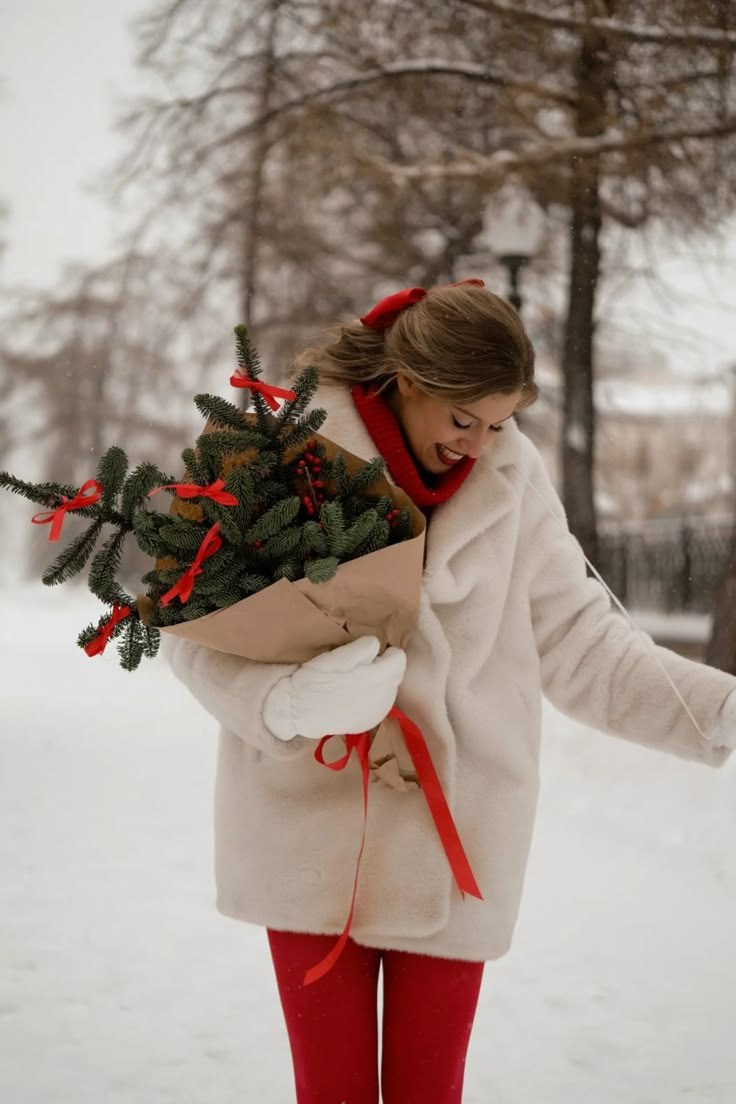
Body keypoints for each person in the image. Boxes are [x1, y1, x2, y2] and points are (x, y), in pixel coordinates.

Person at [164, 281, 736, 1104]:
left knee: (431, 1092)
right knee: (332, 1092)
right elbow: (196, 624)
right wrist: (284, 702)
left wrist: (717, 709)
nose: (478, 444)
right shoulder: (284, 449)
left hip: (459, 835)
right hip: (307, 829)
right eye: (461, 419)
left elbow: (582, 640)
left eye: (500, 422)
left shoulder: (513, 477)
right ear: (403, 379)